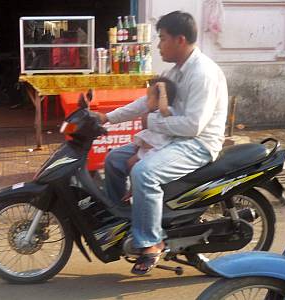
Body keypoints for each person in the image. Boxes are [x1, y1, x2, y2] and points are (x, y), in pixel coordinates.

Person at [98, 11, 228, 275]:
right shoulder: (175, 71)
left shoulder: (203, 73)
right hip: (172, 138)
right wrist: (106, 117)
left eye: (162, 39)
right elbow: (146, 104)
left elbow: (193, 126)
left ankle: (150, 242)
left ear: (180, 40)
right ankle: (119, 222)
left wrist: (152, 123)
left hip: (197, 144)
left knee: (143, 173)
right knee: (114, 159)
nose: (158, 46)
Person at [122, 77, 177, 201]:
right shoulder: (150, 112)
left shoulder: (166, 111)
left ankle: (140, 193)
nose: (146, 101)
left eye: (149, 97)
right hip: (146, 148)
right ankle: (132, 189)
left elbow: (163, 108)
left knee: (139, 170)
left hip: (156, 150)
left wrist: (162, 89)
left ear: (161, 100)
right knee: (130, 162)